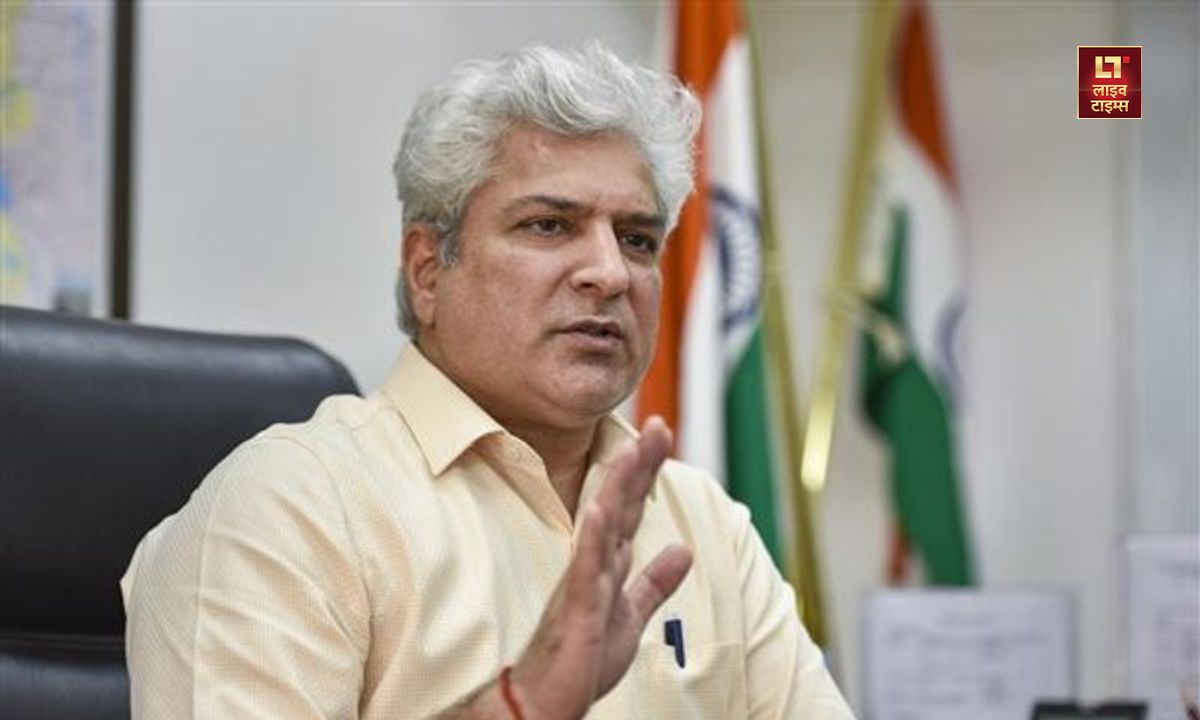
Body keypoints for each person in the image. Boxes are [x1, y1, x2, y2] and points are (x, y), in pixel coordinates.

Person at [121, 43, 855, 720]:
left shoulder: (704, 523)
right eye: (549, 225)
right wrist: (520, 704)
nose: (610, 273)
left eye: (637, 239)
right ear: (428, 270)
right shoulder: (292, 509)